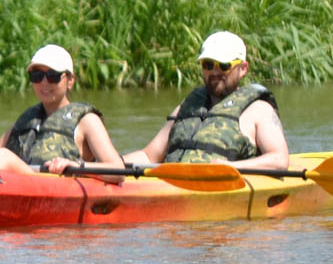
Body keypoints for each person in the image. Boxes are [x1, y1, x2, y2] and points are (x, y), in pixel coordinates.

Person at [0, 44, 124, 174]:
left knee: (2, 157)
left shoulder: (87, 121)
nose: (44, 82)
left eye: (52, 75)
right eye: (37, 75)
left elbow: (117, 170)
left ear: (70, 80)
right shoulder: (27, 120)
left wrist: (74, 164)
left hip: (49, 187)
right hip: (12, 181)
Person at [123, 30, 290, 170]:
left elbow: (279, 160)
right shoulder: (188, 108)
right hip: (171, 185)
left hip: (225, 189)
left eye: (224, 65)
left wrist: (232, 167)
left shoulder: (258, 111)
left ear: (243, 68)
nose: (215, 72)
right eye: (208, 65)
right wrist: (112, 163)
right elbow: (149, 155)